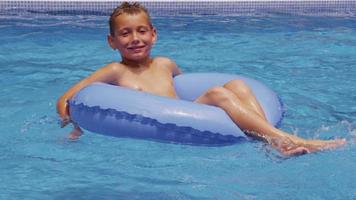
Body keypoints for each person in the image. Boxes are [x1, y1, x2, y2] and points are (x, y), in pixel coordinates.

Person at [57, 2, 346, 156]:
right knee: (220, 95)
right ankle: (284, 140)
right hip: (158, 122)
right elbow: (69, 98)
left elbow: (184, 89)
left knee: (238, 86)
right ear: (112, 41)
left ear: (154, 34)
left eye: (142, 31)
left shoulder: (165, 64)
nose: (135, 39)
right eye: (125, 33)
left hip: (188, 114)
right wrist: (77, 124)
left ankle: (272, 144)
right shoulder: (115, 71)